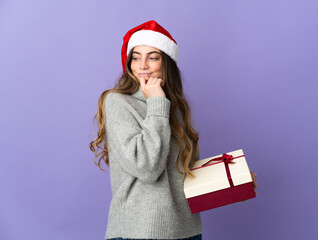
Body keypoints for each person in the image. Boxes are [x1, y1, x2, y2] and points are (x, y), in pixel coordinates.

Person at [90, 20, 258, 240]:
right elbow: (147, 168)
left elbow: (184, 173)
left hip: (187, 231)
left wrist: (235, 185)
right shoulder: (118, 102)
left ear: (166, 62)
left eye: (152, 57)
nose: (142, 66)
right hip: (139, 232)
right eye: (136, 57)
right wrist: (157, 104)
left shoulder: (174, 107)